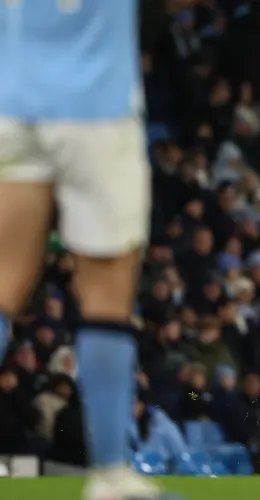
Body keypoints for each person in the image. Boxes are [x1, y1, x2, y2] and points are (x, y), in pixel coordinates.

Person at [0, 1, 164, 499]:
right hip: (99, 112)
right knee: (106, 302)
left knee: (3, 286)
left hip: (14, 104)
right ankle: (111, 475)